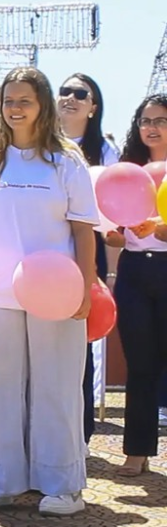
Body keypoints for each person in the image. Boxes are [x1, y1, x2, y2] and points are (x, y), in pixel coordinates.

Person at [0, 67, 97, 516]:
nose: (15, 109)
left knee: (56, 385)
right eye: (9, 101)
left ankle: (62, 485)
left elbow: (84, 231)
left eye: (25, 101)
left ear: (43, 106)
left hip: (55, 292)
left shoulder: (67, 159)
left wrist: (85, 289)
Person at [57, 72, 118, 445]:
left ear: (93, 108)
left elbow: (113, 212)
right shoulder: (41, 143)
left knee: (80, 341)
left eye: (80, 94)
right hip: (44, 253)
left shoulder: (105, 151)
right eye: (64, 91)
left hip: (87, 252)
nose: (71, 98)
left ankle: (80, 434)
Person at [110, 94, 167, 476]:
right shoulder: (127, 170)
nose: (152, 127)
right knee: (140, 364)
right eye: (146, 120)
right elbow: (111, 226)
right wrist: (115, 234)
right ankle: (137, 450)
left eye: (160, 120)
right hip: (133, 270)